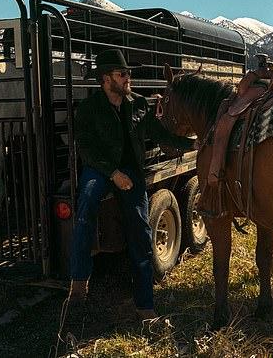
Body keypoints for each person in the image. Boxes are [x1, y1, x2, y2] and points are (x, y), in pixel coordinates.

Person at [68, 49, 195, 321]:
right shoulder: (89, 109)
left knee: (140, 227)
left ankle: (144, 305)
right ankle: (79, 282)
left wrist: (194, 144)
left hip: (132, 172)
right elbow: (86, 148)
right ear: (106, 79)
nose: (128, 79)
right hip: (101, 168)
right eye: (122, 74)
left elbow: (160, 134)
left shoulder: (138, 104)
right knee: (86, 204)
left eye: (128, 74)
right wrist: (112, 173)